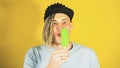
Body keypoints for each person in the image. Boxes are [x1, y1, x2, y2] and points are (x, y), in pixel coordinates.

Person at [23, 3, 100, 68]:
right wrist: (51, 66)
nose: (60, 27)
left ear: (71, 26)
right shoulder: (33, 53)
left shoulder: (88, 54)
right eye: (54, 23)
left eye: (64, 22)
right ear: (48, 27)